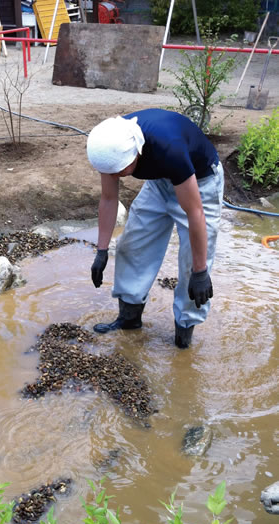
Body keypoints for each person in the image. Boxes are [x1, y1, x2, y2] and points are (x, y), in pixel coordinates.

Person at [86, 108, 224, 349]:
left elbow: (195, 213)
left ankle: (183, 336)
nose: (117, 175)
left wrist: (200, 272)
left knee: (192, 263)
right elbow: (109, 199)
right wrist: (102, 250)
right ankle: (129, 320)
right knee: (133, 244)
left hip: (200, 182)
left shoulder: (169, 149)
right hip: (159, 183)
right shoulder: (110, 145)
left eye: (122, 170)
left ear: (137, 151)